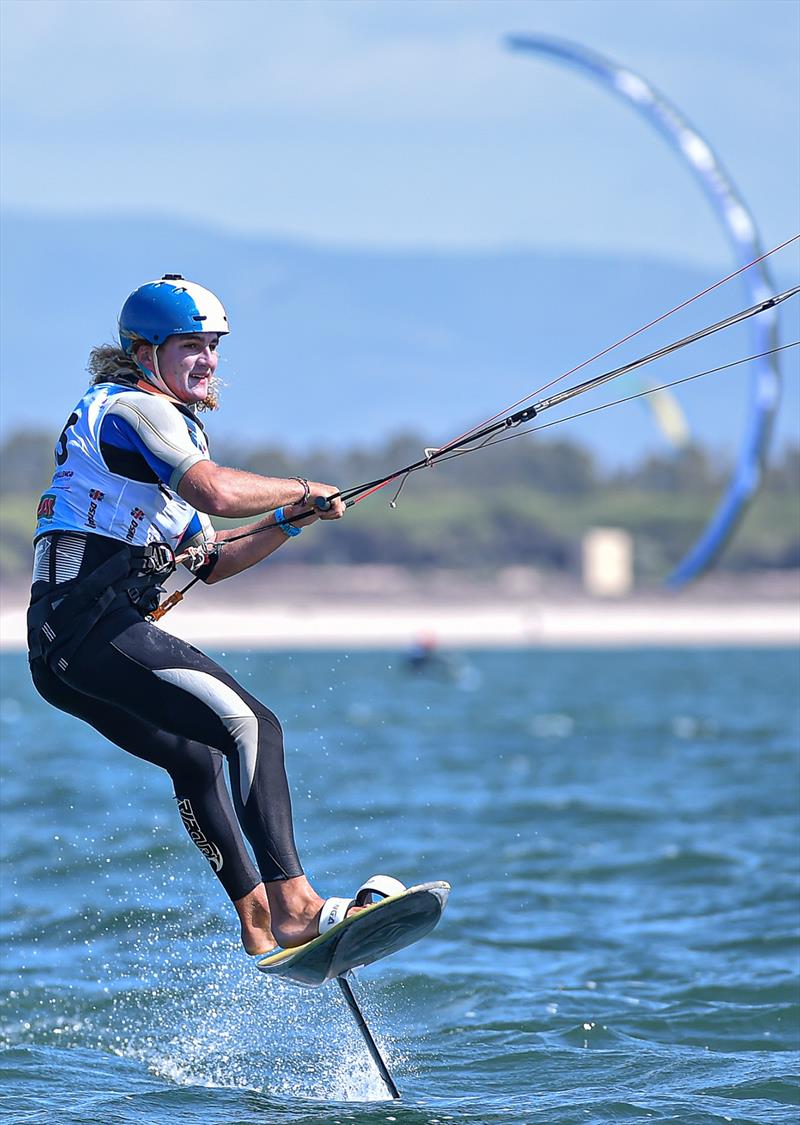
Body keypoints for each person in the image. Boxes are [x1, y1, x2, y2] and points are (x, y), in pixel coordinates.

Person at [27, 275, 402, 956]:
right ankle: (297, 904)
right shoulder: (137, 410)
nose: (208, 360)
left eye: (214, 346)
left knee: (198, 759)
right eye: (191, 346)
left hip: (59, 650)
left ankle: (260, 924)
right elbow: (218, 490)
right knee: (252, 725)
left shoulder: (147, 450)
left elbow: (213, 558)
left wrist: (287, 522)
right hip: (92, 628)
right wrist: (304, 486)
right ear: (145, 353)